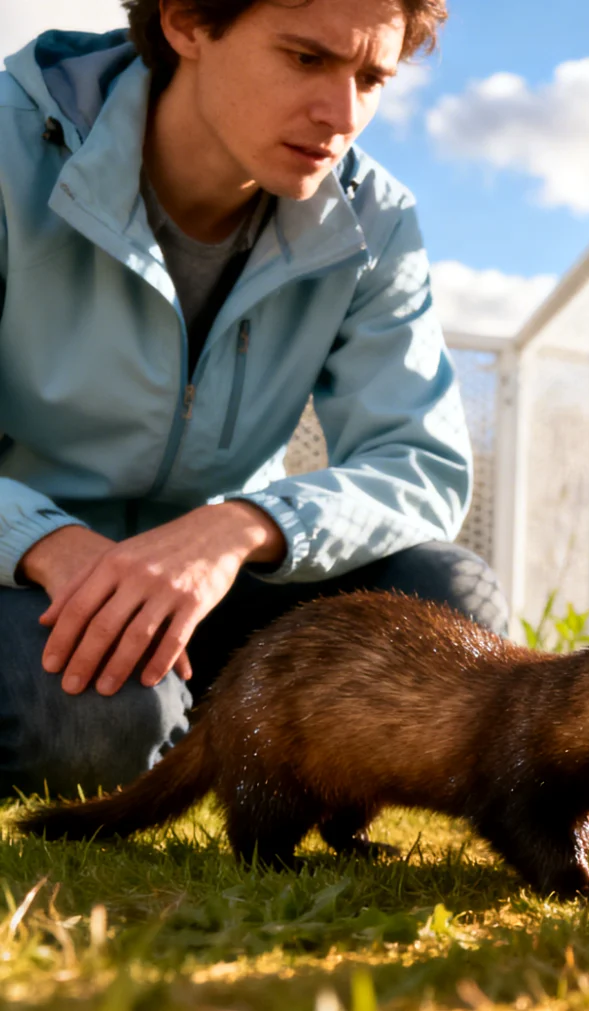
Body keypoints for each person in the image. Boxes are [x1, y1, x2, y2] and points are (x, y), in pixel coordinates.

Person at [0, 0, 507, 800]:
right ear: (186, 23)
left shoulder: (375, 219)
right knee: (99, 723)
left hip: (215, 586)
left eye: (371, 78)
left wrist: (240, 527)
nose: (342, 115)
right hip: (21, 574)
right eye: (306, 59)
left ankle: (221, 735)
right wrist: (42, 540)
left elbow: (420, 462)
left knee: (445, 601)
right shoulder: (10, 147)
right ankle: (149, 723)